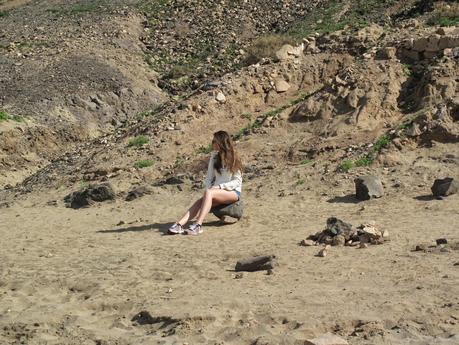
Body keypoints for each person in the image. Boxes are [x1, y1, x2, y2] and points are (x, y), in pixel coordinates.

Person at [168, 130, 243, 235]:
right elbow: (209, 178)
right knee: (200, 202)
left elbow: (237, 181)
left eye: (215, 141)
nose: (212, 143)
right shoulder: (214, 157)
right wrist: (208, 190)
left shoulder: (234, 158)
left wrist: (219, 187)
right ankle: (179, 224)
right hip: (216, 191)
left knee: (208, 193)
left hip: (233, 192)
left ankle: (198, 225)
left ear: (222, 142)